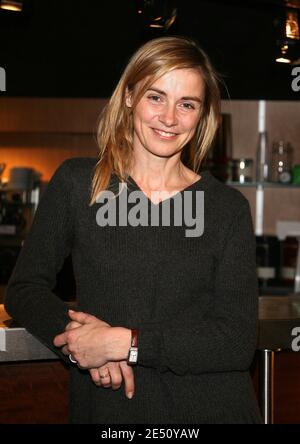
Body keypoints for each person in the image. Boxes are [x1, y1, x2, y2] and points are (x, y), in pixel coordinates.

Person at [4, 36, 262, 424]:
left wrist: (126, 344)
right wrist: (81, 346)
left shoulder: (227, 209)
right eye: (155, 97)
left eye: (186, 104)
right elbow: (25, 289)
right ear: (128, 96)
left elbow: (236, 341)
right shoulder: (79, 184)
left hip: (212, 408)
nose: (170, 118)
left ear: (203, 115)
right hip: (112, 411)